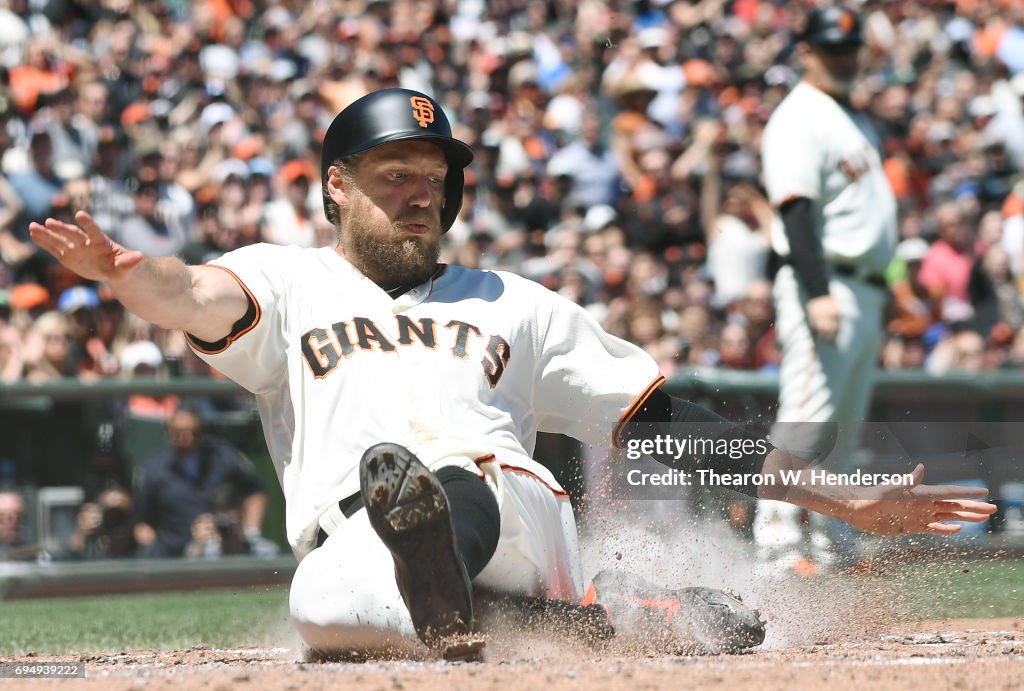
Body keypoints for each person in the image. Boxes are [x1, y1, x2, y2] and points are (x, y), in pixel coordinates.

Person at [31, 87, 994, 660]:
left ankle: (477, 557)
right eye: (393, 171)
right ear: (334, 184)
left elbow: (666, 426)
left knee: (437, 491)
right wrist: (125, 275)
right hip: (359, 542)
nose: (422, 190)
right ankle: (612, 616)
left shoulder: (516, 301)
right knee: (322, 605)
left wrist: (839, 497)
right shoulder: (285, 280)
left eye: (434, 173)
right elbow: (196, 296)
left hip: (509, 500)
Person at [759, 6, 900, 570]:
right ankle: (779, 541)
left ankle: (830, 539)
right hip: (827, 283)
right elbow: (796, 213)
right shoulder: (799, 116)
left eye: (849, 48)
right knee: (808, 414)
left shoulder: (850, 116)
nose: (843, 58)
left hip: (862, 287)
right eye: (830, 50)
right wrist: (817, 291)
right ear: (805, 53)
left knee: (839, 424)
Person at [132, 407, 269, 558]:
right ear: (169, 433)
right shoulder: (154, 469)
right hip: (172, 554)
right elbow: (141, 523)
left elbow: (256, 490)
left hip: (222, 549)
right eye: (179, 433)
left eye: (194, 432)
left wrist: (250, 531)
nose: (187, 438)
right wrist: (154, 547)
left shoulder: (222, 457)